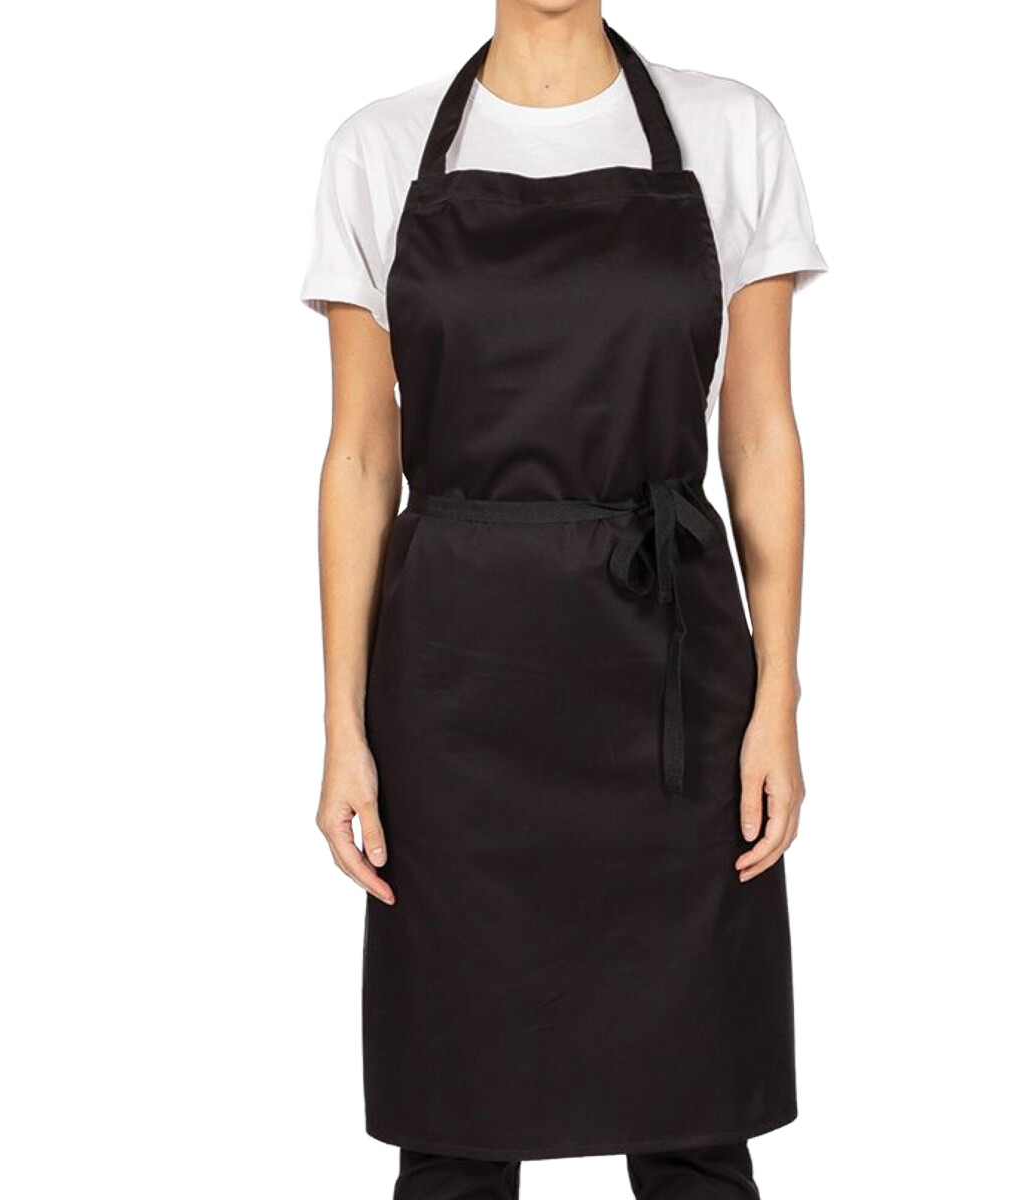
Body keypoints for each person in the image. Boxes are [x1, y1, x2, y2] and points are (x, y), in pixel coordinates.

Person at [300, 2, 826, 1195]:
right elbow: (362, 459)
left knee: (697, 1120)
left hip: (669, 681)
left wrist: (777, 700)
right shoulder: (378, 151)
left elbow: (758, 436)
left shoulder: (731, 131)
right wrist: (342, 728)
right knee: (455, 1129)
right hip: (455, 691)